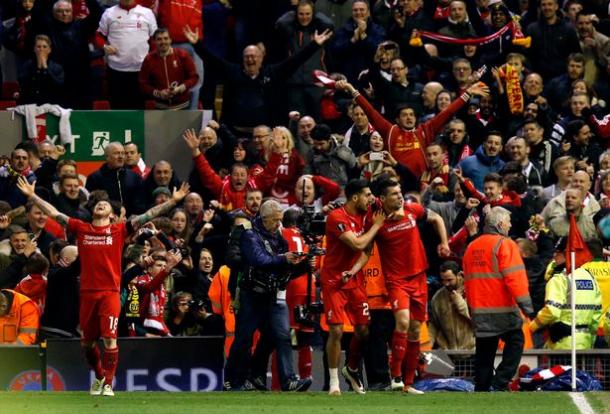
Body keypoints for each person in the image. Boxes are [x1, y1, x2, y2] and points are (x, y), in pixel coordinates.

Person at [16, 176, 190, 396]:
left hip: (110, 292)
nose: (101, 205)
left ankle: (108, 383)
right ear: (93, 210)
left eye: (105, 204)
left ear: (111, 214)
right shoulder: (82, 228)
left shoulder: (119, 230)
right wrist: (32, 196)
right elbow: (54, 214)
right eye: (98, 203)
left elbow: (149, 215)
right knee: (87, 344)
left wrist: (173, 201)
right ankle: (99, 376)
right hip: (87, 294)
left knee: (109, 338)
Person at [224, 200, 312, 392]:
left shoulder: (279, 237)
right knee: (243, 340)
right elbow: (258, 260)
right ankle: (231, 379)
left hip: (272, 295)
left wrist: (303, 264)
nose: (279, 224)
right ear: (264, 219)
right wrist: (283, 258)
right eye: (276, 220)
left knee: (279, 336)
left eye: (280, 220)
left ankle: (288, 380)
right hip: (251, 295)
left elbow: (284, 271)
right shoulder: (249, 235)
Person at [372, 179, 450, 393]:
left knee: (415, 330)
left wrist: (444, 243)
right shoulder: (377, 223)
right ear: (383, 199)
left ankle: (408, 383)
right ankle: (395, 376)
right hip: (397, 280)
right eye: (394, 194)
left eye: (400, 192)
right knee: (403, 322)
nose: (399, 196)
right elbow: (364, 243)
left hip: (419, 277)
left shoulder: (411, 210)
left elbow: (436, 219)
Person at [335, 80, 489, 180]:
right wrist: (351, 89)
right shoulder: (390, 131)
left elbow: (447, 112)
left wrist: (467, 93)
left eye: (411, 115)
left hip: (422, 182)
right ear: (397, 119)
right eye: (404, 115)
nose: (409, 118)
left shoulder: (425, 130)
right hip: (396, 183)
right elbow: (370, 112)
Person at [321, 179, 385, 395]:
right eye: (367, 195)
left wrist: (354, 271)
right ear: (355, 197)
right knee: (337, 330)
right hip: (333, 281)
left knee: (364, 330)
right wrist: (377, 225)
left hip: (353, 279)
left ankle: (352, 369)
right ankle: (333, 383)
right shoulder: (336, 217)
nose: (371, 199)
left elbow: (366, 251)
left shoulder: (365, 217)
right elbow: (357, 244)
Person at [462, 206, 534, 391]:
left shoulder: (472, 246)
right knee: (516, 340)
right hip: (502, 309)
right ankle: (500, 381)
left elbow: (468, 281)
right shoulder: (505, 244)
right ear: (501, 224)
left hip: (478, 310)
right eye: (508, 222)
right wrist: (527, 307)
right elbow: (515, 278)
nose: (510, 226)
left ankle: (482, 386)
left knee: (485, 350)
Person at [529, 241, 603, 350]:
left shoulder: (560, 278)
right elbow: (596, 315)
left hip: (563, 343)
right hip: (585, 343)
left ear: (565, 254)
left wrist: (532, 327)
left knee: (561, 368)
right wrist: (591, 339)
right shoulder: (590, 277)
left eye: (556, 253)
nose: (553, 256)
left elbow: (551, 310)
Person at [98, 0, 157, 109]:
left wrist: (152, 60)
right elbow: (98, 35)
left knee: (139, 108)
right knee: (117, 108)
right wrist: (104, 47)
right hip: (116, 70)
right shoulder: (109, 13)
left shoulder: (147, 13)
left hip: (141, 70)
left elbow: (154, 39)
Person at [139, 28, 199, 110]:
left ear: (170, 40)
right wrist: (158, 93)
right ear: (154, 42)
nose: (163, 42)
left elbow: (194, 77)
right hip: (160, 108)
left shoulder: (183, 55)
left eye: (166, 38)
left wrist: (180, 89)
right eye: (159, 39)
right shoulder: (149, 59)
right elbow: (143, 83)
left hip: (183, 107)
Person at [85, 142, 144, 216]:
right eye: (116, 153)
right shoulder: (95, 178)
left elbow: (141, 203)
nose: (121, 156)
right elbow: (91, 204)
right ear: (107, 157)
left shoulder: (135, 177)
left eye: (122, 153)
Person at [429, 261, 475, 351]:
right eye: (443, 280)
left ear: (459, 275)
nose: (446, 284)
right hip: (447, 352)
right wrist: (428, 345)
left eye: (449, 280)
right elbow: (434, 324)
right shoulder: (437, 297)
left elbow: (479, 323)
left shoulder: (473, 292)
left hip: (471, 352)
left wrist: (460, 304)